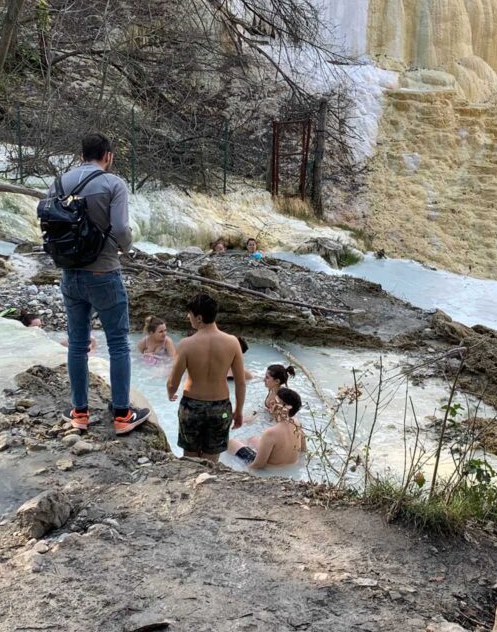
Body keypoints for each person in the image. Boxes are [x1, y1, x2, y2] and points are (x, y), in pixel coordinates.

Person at [51, 133, 149, 435]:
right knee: (118, 342)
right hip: (104, 272)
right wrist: (125, 246)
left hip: (70, 273)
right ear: (107, 156)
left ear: (81, 155)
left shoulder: (59, 183)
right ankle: (122, 414)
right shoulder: (113, 184)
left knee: (77, 344)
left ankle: (79, 413)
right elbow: (120, 228)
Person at [167, 293, 246, 462]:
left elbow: (173, 381)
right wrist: (238, 411)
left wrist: (170, 392)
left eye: (190, 315)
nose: (189, 318)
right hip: (220, 408)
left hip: (191, 407)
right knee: (212, 460)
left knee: (190, 458)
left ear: (199, 318)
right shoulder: (232, 342)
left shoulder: (186, 344)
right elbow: (240, 382)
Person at [229, 386, 306, 470]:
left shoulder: (271, 433)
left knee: (231, 443)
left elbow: (258, 465)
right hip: (287, 465)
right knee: (253, 439)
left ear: (285, 408)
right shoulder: (297, 423)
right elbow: (303, 450)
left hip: (269, 468)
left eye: (275, 402)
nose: (270, 403)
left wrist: (245, 471)